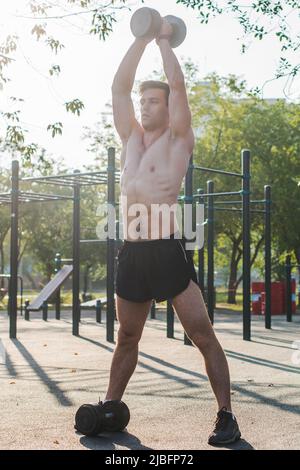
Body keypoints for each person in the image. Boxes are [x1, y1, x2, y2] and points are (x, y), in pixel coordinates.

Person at [105, 18, 241, 446]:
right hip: (132, 251)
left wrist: (164, 43)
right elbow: (117, 89)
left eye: (152, 100)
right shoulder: (130, 137)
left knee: (201, 334)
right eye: (142, 100)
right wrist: (141, 38)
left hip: (167, 250)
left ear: (167, 107)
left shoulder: (180, 139)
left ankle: (225, 415)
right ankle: (111, 408)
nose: (143, 106)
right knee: (127, 336)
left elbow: (178, 86)